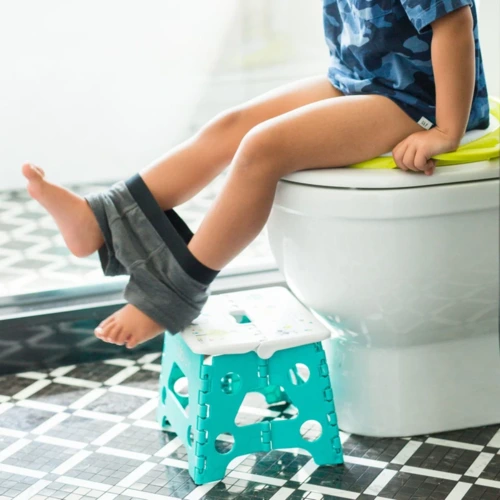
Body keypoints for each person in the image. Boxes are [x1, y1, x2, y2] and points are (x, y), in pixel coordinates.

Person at [23, 0, 489, 348]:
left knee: (262, 148)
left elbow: (453, 25)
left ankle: (171, 295)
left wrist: (446, 130)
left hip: (418, 100)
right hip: (359, 82)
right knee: (231, 125)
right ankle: (103, 218)